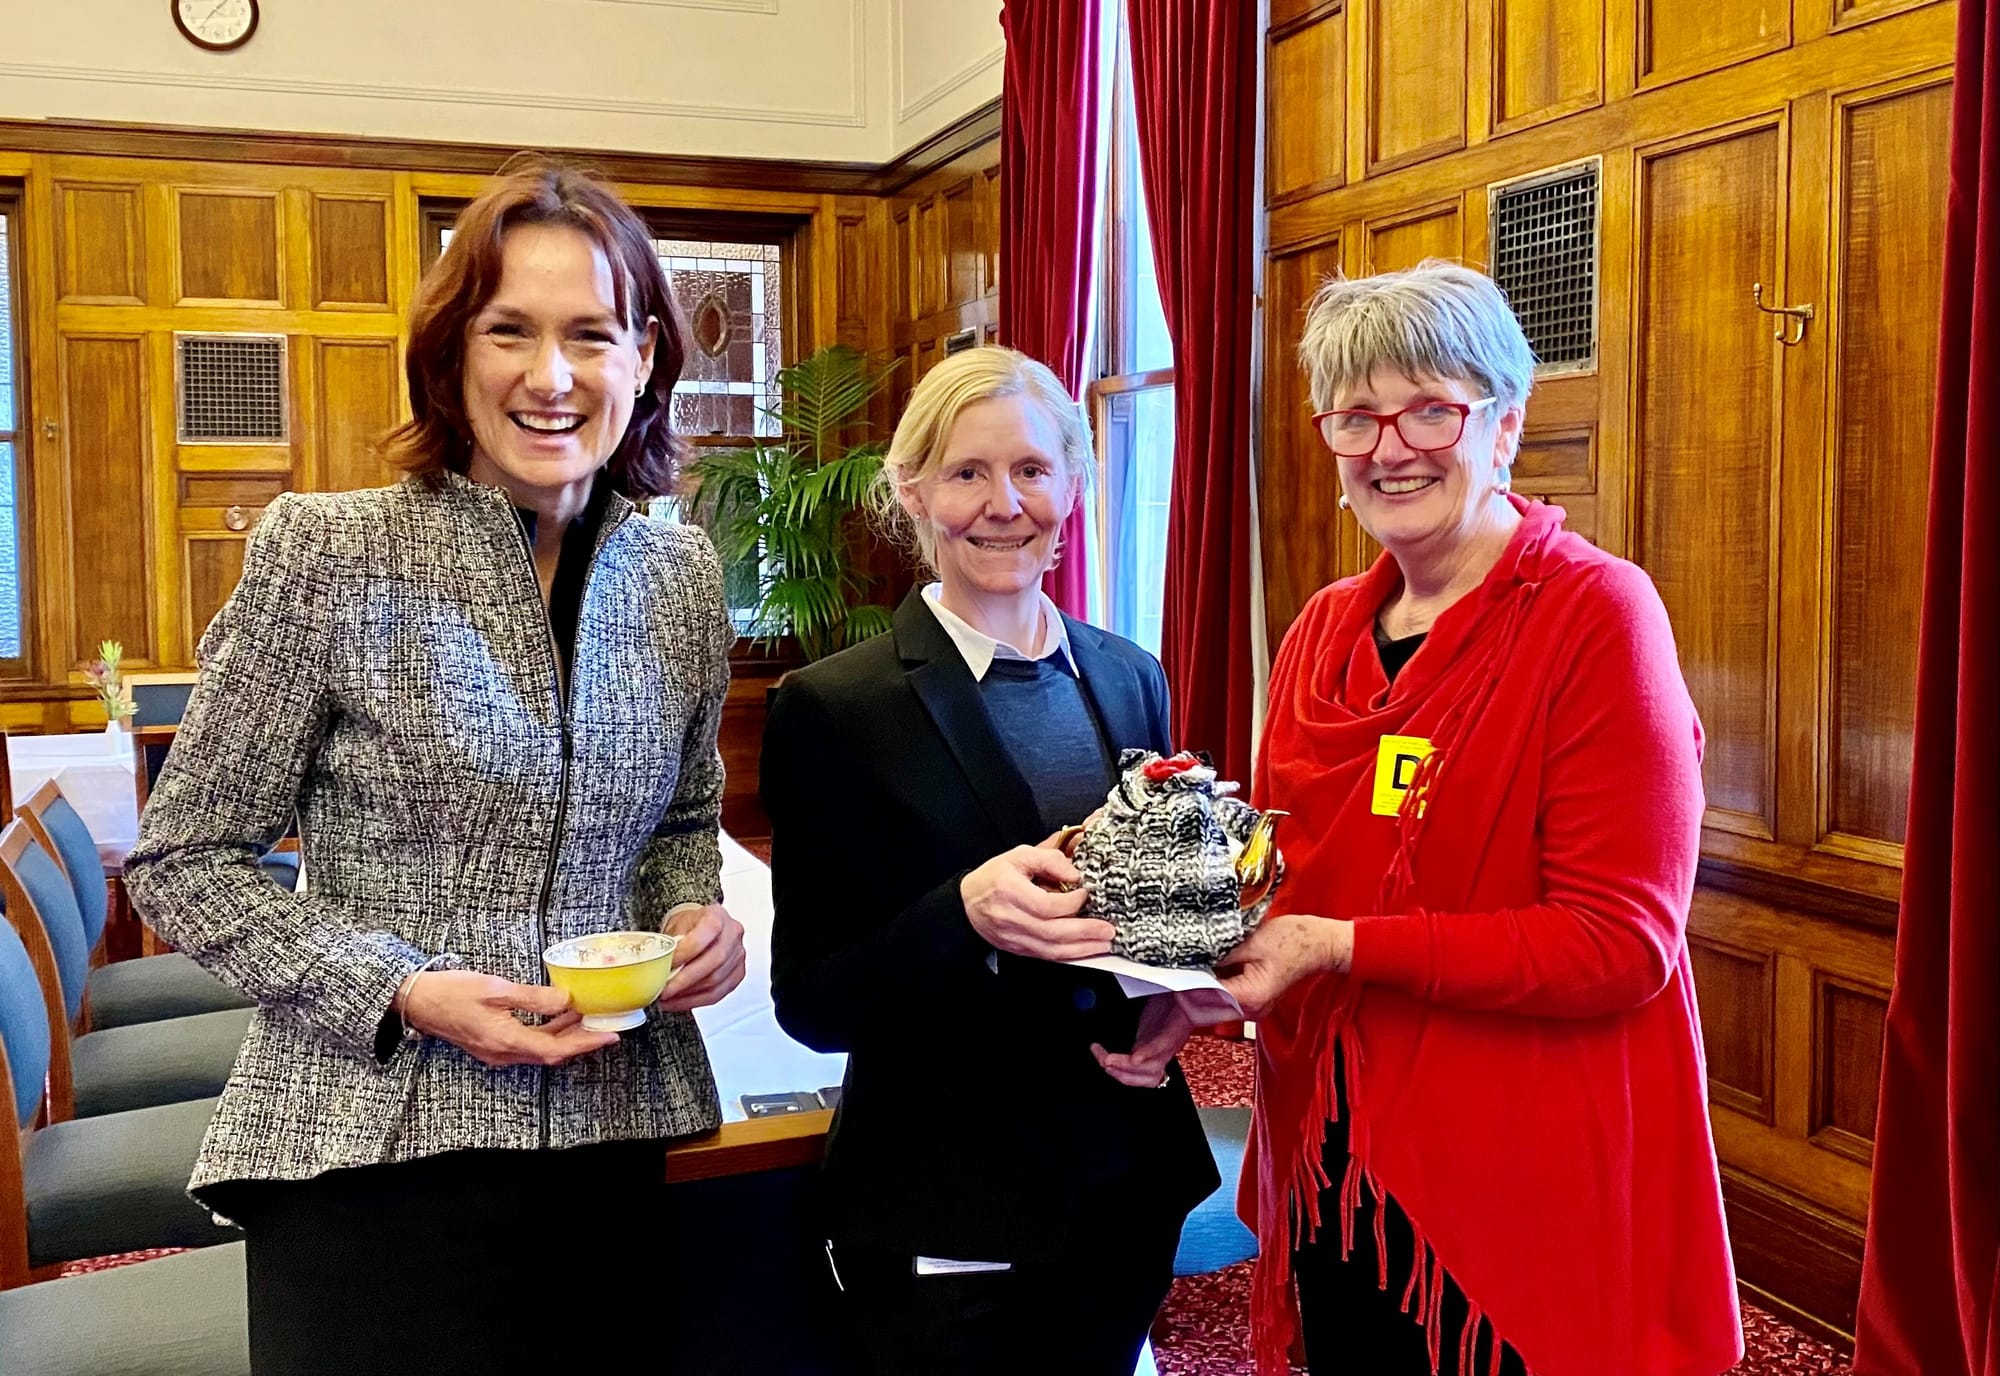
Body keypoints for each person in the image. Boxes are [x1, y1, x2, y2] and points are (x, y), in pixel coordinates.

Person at [124, 158, 748, 1375]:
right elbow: (184, 859)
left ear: (643, 359)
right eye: (508, 330)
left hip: (615, 1133)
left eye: (590, 334)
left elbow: (681, 817)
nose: (550, 376)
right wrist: (404, 989)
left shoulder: (677, 575)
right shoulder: (332, 550)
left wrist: (691, 912)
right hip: (378, 1144)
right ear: (451, 356)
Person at [1205, 262, 1743, 1375]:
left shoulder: (1596, 614)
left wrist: (1340, 946)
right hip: (1334, 1147)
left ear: (1503, 425)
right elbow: (1277, 873)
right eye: (1355, 416)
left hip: (1516, 1163)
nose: (1389, 446)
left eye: (1429, 409)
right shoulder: (1321, 631)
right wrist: (1180, 989)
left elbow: (1619, 943)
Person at [761, 346, 1218, 1376]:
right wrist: (960, 912)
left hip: (1126, 1178)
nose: (1003, 504)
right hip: (949, 1193)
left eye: (1031, 470)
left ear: (1072, 485)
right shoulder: (835, 707)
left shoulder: (1130, 674)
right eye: (967, 472)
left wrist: (1174, 1000)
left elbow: (1153, 911)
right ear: (913, 490)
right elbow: (815, 1004)